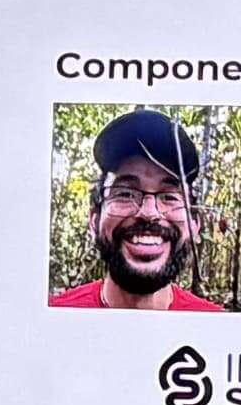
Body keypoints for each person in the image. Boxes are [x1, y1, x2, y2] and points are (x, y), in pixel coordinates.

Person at [51, 104, 231, 309]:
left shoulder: (216, 323)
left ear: (194, 225)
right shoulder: (53, 316)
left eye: (169, 197)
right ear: (94, 221)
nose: (149, 213)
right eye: (125, 194)